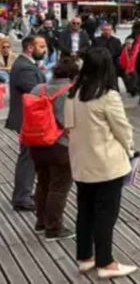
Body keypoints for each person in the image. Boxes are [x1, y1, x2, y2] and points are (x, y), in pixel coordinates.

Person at [64, 47, 137, 279]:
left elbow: (68, 127)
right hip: (107, 164)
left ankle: (85, 257)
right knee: (106, 214)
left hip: (81, 163)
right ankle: (106, 262)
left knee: (85, 211)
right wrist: (130, 151)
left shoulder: (73, 93)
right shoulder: (107, 95)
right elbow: (123, 130)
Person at [29, 57, 79, 240]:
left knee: (42, 183)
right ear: (73, 75)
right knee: (59, 187)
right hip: (60, 146)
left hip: (36, 144)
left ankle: (40, 222)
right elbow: (71, 122)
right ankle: (54, 228)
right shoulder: (71, 92)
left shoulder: (38, 88)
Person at [6, 36, 48, 211]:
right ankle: (22, 197)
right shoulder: (24, 67)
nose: (45, 49)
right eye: (41, 46)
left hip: (28, 119)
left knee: (30, 158)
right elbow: (37, 92)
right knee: (28, 158)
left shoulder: (26, 64)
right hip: (27, 120)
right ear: (30, 47)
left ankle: (24, 194)